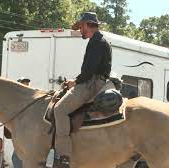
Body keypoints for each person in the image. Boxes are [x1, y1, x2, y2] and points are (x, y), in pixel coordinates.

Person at [53, 12, 112, 168]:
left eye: (81, 27)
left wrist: (75, 82)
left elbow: (89, 71)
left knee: (59, 110)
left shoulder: (96, 42)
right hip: (95, 81)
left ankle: (63, 156)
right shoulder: (101, 40)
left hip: (91, 84)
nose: (80, 30)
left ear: (87, 24)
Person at [11, 77, 31, 168]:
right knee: (17, 158)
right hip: (21, 137)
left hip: (31, 137)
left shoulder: (32, 100)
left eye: (27, 85)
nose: (26, 87)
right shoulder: (15, 102)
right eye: (23, 85)